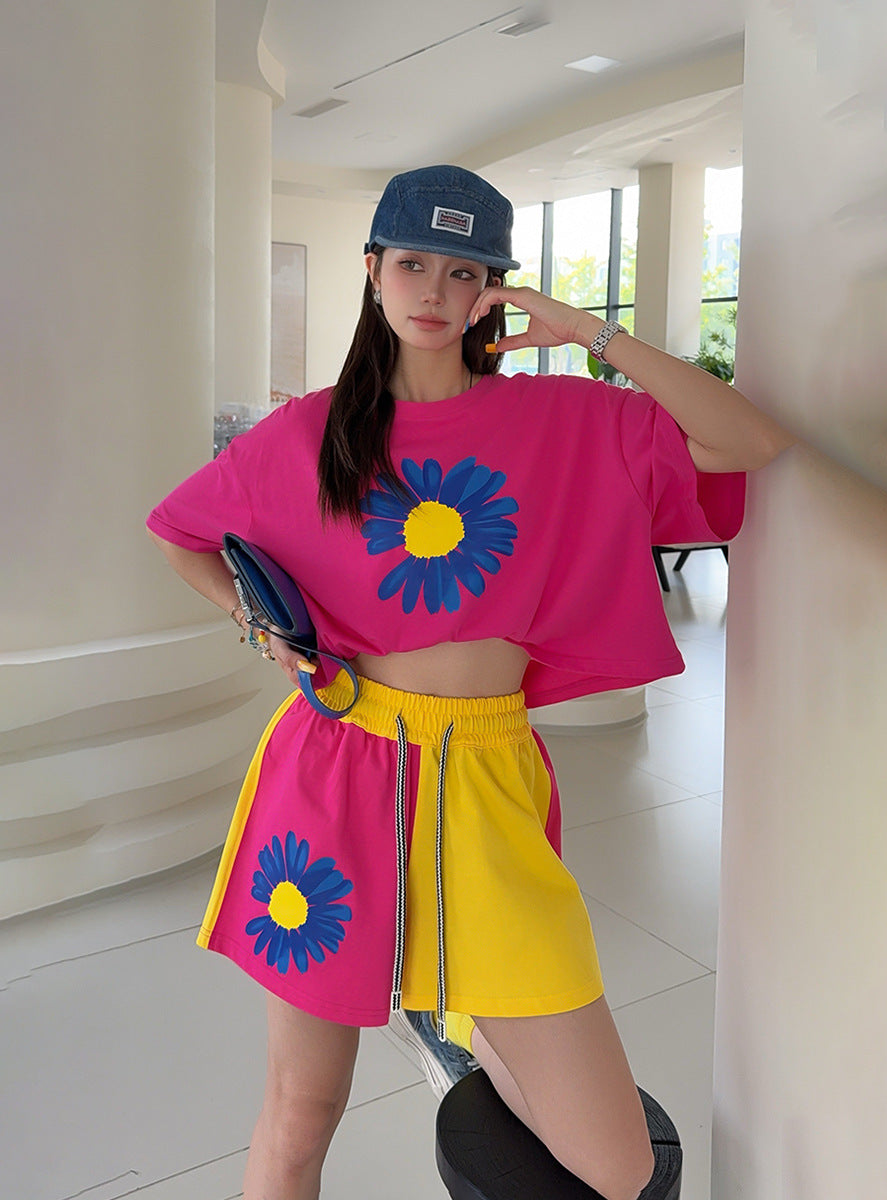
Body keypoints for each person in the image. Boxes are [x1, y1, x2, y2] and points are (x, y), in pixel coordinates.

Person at [147, 165, 791, 1200]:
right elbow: (180, 532)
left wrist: (585, 329)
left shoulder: (566, 418)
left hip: (487, 780)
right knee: (301, 1114)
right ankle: (435, 998)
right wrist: (256, 623)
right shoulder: (311, 432)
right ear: (372, 270)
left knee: (621, 1167)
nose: (435, 292)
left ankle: (451, 1013)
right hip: (335, 774)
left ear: (496, 289)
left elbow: (747, 441)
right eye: (413, 264)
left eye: (466, 272)